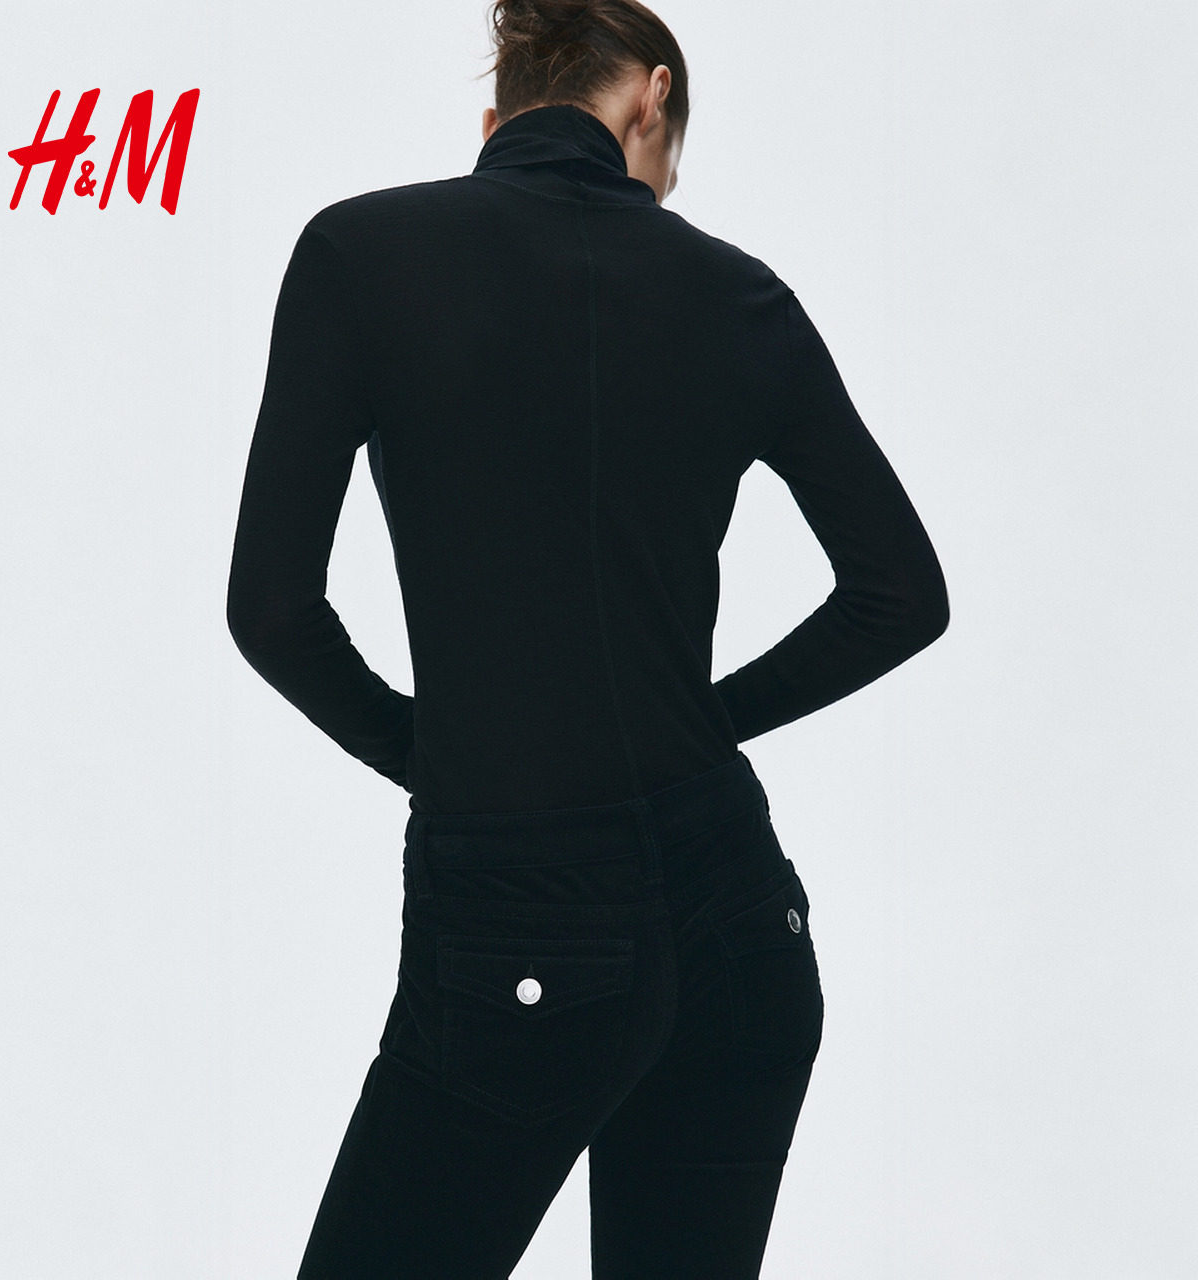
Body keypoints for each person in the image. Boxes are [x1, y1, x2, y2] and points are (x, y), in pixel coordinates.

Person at [226, 0, 950, 1274]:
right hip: (736, 915)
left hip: (515, 909)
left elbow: (272, 607)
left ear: (493, 120)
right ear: (651, 99)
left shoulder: (359, 254)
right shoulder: (737, 292)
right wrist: (703, 719)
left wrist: (430, 751)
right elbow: (900, 593)